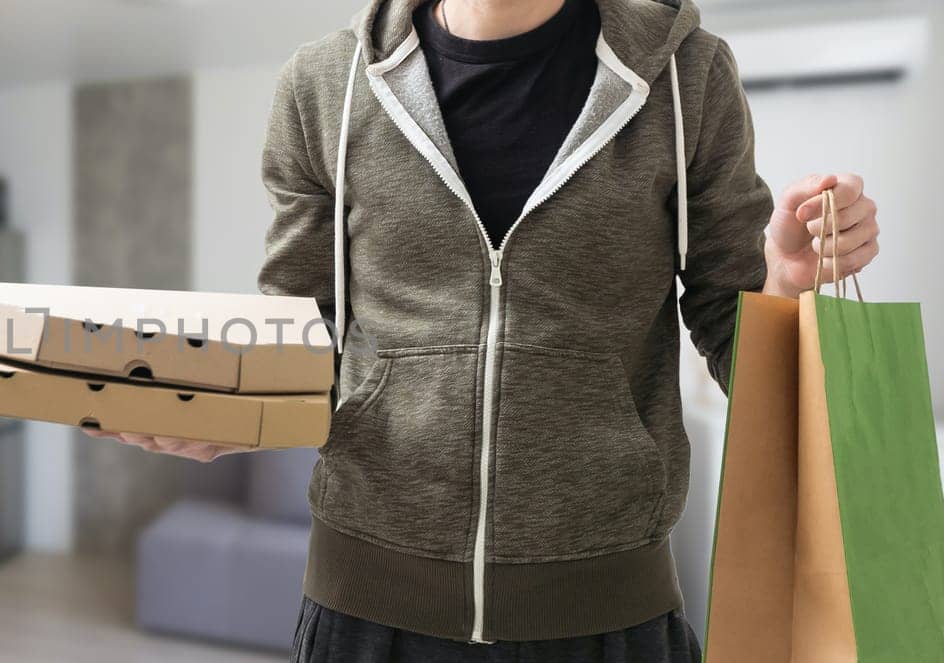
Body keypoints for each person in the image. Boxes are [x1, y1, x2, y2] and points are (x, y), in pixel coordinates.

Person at [86, 0, 881, 660]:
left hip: (608, 618)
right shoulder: (323, 87)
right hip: (365, 614)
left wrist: (787, 284)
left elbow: (738, 333)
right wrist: (226, 413)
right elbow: (303, 338)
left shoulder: (687, 77)